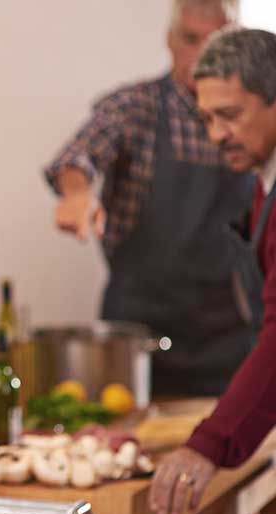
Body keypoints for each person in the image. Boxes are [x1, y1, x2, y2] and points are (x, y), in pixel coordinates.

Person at [44, 0, 254, 397]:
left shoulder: (252, 122)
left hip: (226, 347)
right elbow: (78, 158)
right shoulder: (135, 108)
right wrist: (78, 194)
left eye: (216, 43)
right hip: (136, 345)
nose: (203, 56)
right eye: (191, 39)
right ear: (170, 40)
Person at [149, 28, 276, 514]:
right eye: (207, 119)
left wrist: (209, 444)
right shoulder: (264, 180)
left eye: (231, 115)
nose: (217, 134)